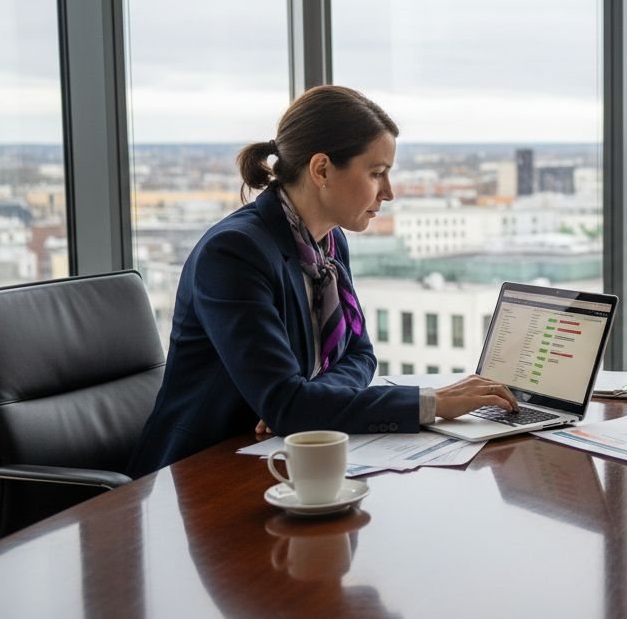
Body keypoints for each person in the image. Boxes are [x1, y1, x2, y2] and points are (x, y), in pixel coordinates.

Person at [128, 85, 516, 476]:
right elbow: (287, 404)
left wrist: (309, 402)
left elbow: (359, 355)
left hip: (283, 456)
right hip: (200, 471)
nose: (389, 192)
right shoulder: (233, 254)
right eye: (377, 173)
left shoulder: (328, 241)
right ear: (322, 170)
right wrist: (431, 403)